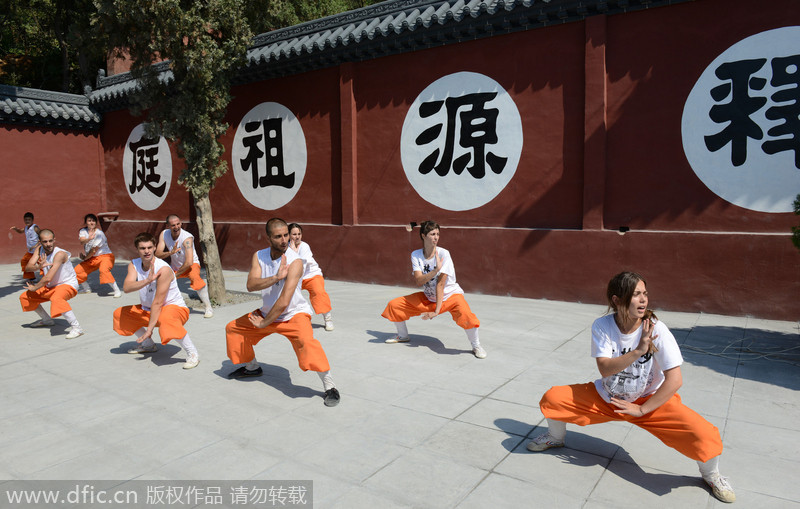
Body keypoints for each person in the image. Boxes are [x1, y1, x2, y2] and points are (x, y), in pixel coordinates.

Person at [529, 271, 735, 503]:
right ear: (617, 300)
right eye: (636, 294)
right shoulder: (603, 325)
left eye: (645, 293)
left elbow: (675, 380)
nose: (644, 299)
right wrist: (638, 350)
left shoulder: (657, 329)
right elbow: (605, 369)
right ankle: (556, 438)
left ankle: (712, 475)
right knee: (554, 397)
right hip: (608, 399)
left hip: (649, 402)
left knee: (704, 434)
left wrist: (642, 410)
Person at [224, 218, 340, 407]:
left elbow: (284, 301)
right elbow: (251, 285)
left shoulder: (296, 262)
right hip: (267, 312)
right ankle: (252, 367)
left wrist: (263, 323)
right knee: (234, 329)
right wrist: (276, 277)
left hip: (293, 314)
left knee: (307, 344)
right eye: (278, 236)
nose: (284, 240)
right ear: (268, 237)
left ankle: (330, 387)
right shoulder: (259, 256)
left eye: (286, 235)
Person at [381, 220, 486, 359]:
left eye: (437, 234)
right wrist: (436, 269)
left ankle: (476, 346)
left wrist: (437, 311)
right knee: (395, 305)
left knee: (467, 317)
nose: (436, 237)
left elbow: (441, 284)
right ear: (423, 236)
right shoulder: (416, 255)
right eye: (432, 234)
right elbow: (419, 281)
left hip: (450, 296)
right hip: (429, 297)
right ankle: (403, 336)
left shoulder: (444, 254)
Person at [113, 232, 199, 370]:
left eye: (149, 247)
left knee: (167, 319)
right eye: (142, 248)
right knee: (120, 314)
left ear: (154, 248)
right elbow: (127, 288)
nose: (146, 251)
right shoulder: (134, 264)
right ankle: (148, 345)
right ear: (137, 249)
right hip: (148, 308)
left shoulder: (163, 269)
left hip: (174, 309)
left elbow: (158, 303)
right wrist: (147, 280)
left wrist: (149, 329)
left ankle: (192, 353)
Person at [19, 229, 84, 339]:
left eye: (50, 241)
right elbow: (28, 267)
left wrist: (35, 287)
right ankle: (47, 320)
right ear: (40, 242)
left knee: (56, 298)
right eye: (45, 241)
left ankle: (77, 328)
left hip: (67, 285)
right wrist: (38, 267)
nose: (48, 244)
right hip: (51, 286)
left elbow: (48, 278)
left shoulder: (59, 254)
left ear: (54, 240)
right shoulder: (39, 250)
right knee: (26, 297)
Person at [155, 214, 213, 318]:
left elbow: (189, 262)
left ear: (181, 223)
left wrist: (174, 276)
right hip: (175, 266)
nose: (176, 227)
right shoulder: (164, 234)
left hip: (191, 264)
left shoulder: (187, 238)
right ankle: (163, 307)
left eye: (178, 224)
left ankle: (208, 307)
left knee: (196, 279)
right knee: (160, 281)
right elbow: (157, 254)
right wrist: (170, 252)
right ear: (167, 226)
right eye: (173, 225)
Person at [288, 223, 334, 331]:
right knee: (287, 296)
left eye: (299, 234)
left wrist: (294, 252)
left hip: (312, 275)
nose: (297, 236)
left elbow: (301, 265)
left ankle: (328, 319)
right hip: (295, 277)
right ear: (289, 235)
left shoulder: (304, 246)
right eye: (294, 234)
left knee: (319, 293)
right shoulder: (286, 247)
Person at [75, 213, 122, 298]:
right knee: (77, 271)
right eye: (89, 221)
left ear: (96, 223)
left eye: (93, 221)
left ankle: (117, 290)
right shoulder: (83, 231)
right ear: (86, 223)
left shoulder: (99, 234)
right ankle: (86, 289)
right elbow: (82, 241)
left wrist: (85, 258)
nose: (91, 223)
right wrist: (89, 238)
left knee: (104, 270)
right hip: (92, 258)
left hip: (105, 256)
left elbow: (93, 250)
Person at [9, 212, 40, 282]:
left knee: (42, 264)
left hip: (38, 251)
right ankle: (31, 277)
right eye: (26, 220)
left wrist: (35, 246)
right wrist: (15, 229)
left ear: (32, 220)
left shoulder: (35, 228)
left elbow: (42, 236)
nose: (27, 221)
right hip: (30, 251)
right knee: (24, 261)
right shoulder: (26, 228)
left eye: (29, 220)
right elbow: (20, 231)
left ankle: (48, 277)